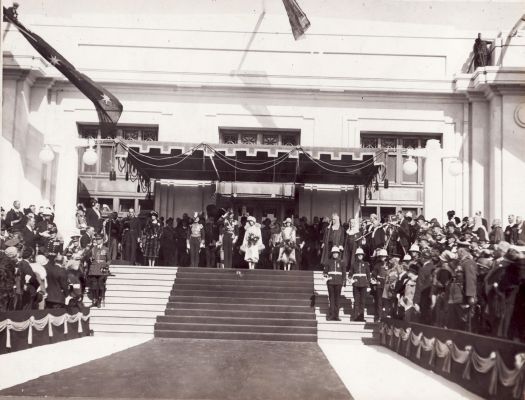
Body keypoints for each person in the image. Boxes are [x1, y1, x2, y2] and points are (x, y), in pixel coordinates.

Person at [323, 246, 346, 321]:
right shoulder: (328, 262)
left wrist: (344, 281)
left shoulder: (342, 262)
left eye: (336, 253)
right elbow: (325, 272)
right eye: (334, 253)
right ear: (332, 254)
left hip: (338, 282)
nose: (335, 254)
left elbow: (344, 273)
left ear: (338, 254)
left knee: (337, 299)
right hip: (330, 282)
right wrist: (325, 276)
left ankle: (336, 315)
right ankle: (331, 315)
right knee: (331, 299)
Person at [87, 234, 110, 307]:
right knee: (93, 284)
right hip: (94, 269)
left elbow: (109, 260)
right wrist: (90, 259)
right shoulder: (93, 249)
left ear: (102, 240)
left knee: (100, 284)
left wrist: (106, 266)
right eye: (96, 239)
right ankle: (94, 299)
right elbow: (89, 257)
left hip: (102, 269)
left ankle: (99, 299)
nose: (98, 241)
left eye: (99, 239)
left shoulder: (106, 249)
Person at [349, 247, 370, 321]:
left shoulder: (366, 264)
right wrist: (351, 280)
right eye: (358, 255)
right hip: (356, 285)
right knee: (356, 301)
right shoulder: (353, 264)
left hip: (364, 285)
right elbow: (350, 274)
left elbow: (368, 275)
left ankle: (361, 317)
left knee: (363, 302)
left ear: (363, 255)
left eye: (361, 255)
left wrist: (368, 285)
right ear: (356, 256)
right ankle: (355, 317)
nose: (360, 256)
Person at [371, 248, 389, 322]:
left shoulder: (389, 264)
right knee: (379, 301)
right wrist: (375, 281)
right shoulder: (377, 265)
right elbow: (373, 275)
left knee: (386, 302)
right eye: (381, 256)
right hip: (379, 285)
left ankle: (386, 317)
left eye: (384, 256)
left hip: (387, 286)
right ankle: (379, 316)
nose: (383, 258)